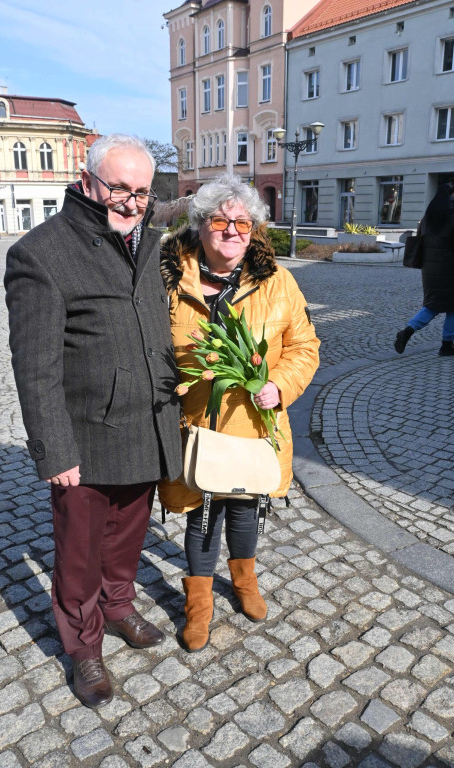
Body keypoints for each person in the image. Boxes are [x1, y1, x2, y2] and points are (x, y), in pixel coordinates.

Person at [5, 134, 182, 708]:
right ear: (87, 182)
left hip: (144, 427)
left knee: (128, 536)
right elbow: (34, 367)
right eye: (119, 188)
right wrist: (55, 452)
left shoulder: (151, 242)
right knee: (79, 553)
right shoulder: (42, 253)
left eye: (141, 192)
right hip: (84, 433)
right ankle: (83, 647)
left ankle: (120, 606)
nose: (131, 202)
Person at [159, 175, 320, 652]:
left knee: (248, 508)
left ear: (254, 229)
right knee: (202, 514)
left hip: (255, 424)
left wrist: (279, 385)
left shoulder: (277, 280)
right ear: (200, 224)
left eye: (243, 222)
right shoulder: (169, 279)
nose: (232, 231)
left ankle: (246, 582)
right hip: (195, 423)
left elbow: (305, 346)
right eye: (220, 220)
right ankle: (199, 605)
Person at [394, 181, 454, 356]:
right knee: (451, 307)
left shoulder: (429, 217)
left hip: (430, 270)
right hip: (450, 269)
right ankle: (445, 344)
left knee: (433, 305)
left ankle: (409, 332)